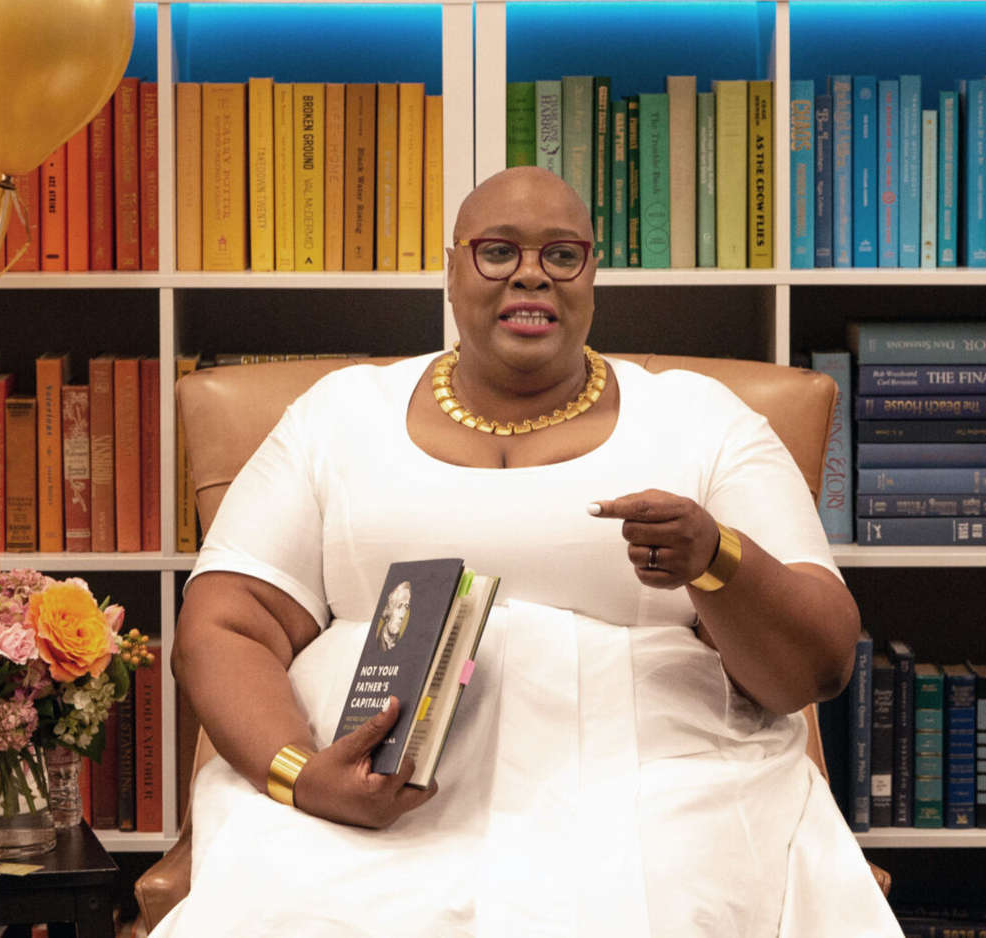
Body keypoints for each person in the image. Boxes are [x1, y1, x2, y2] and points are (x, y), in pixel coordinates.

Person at [153, 166, 903, 937]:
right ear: (451, 270)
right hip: (370, 802)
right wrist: (302, 776)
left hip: (657, 796)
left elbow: (818, 663)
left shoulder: (703, 421)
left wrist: (718, 560)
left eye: (562, 255)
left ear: (592, 277)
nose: (531, 275)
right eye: (498, 251)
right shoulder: (336, 417)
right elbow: (226, 626)